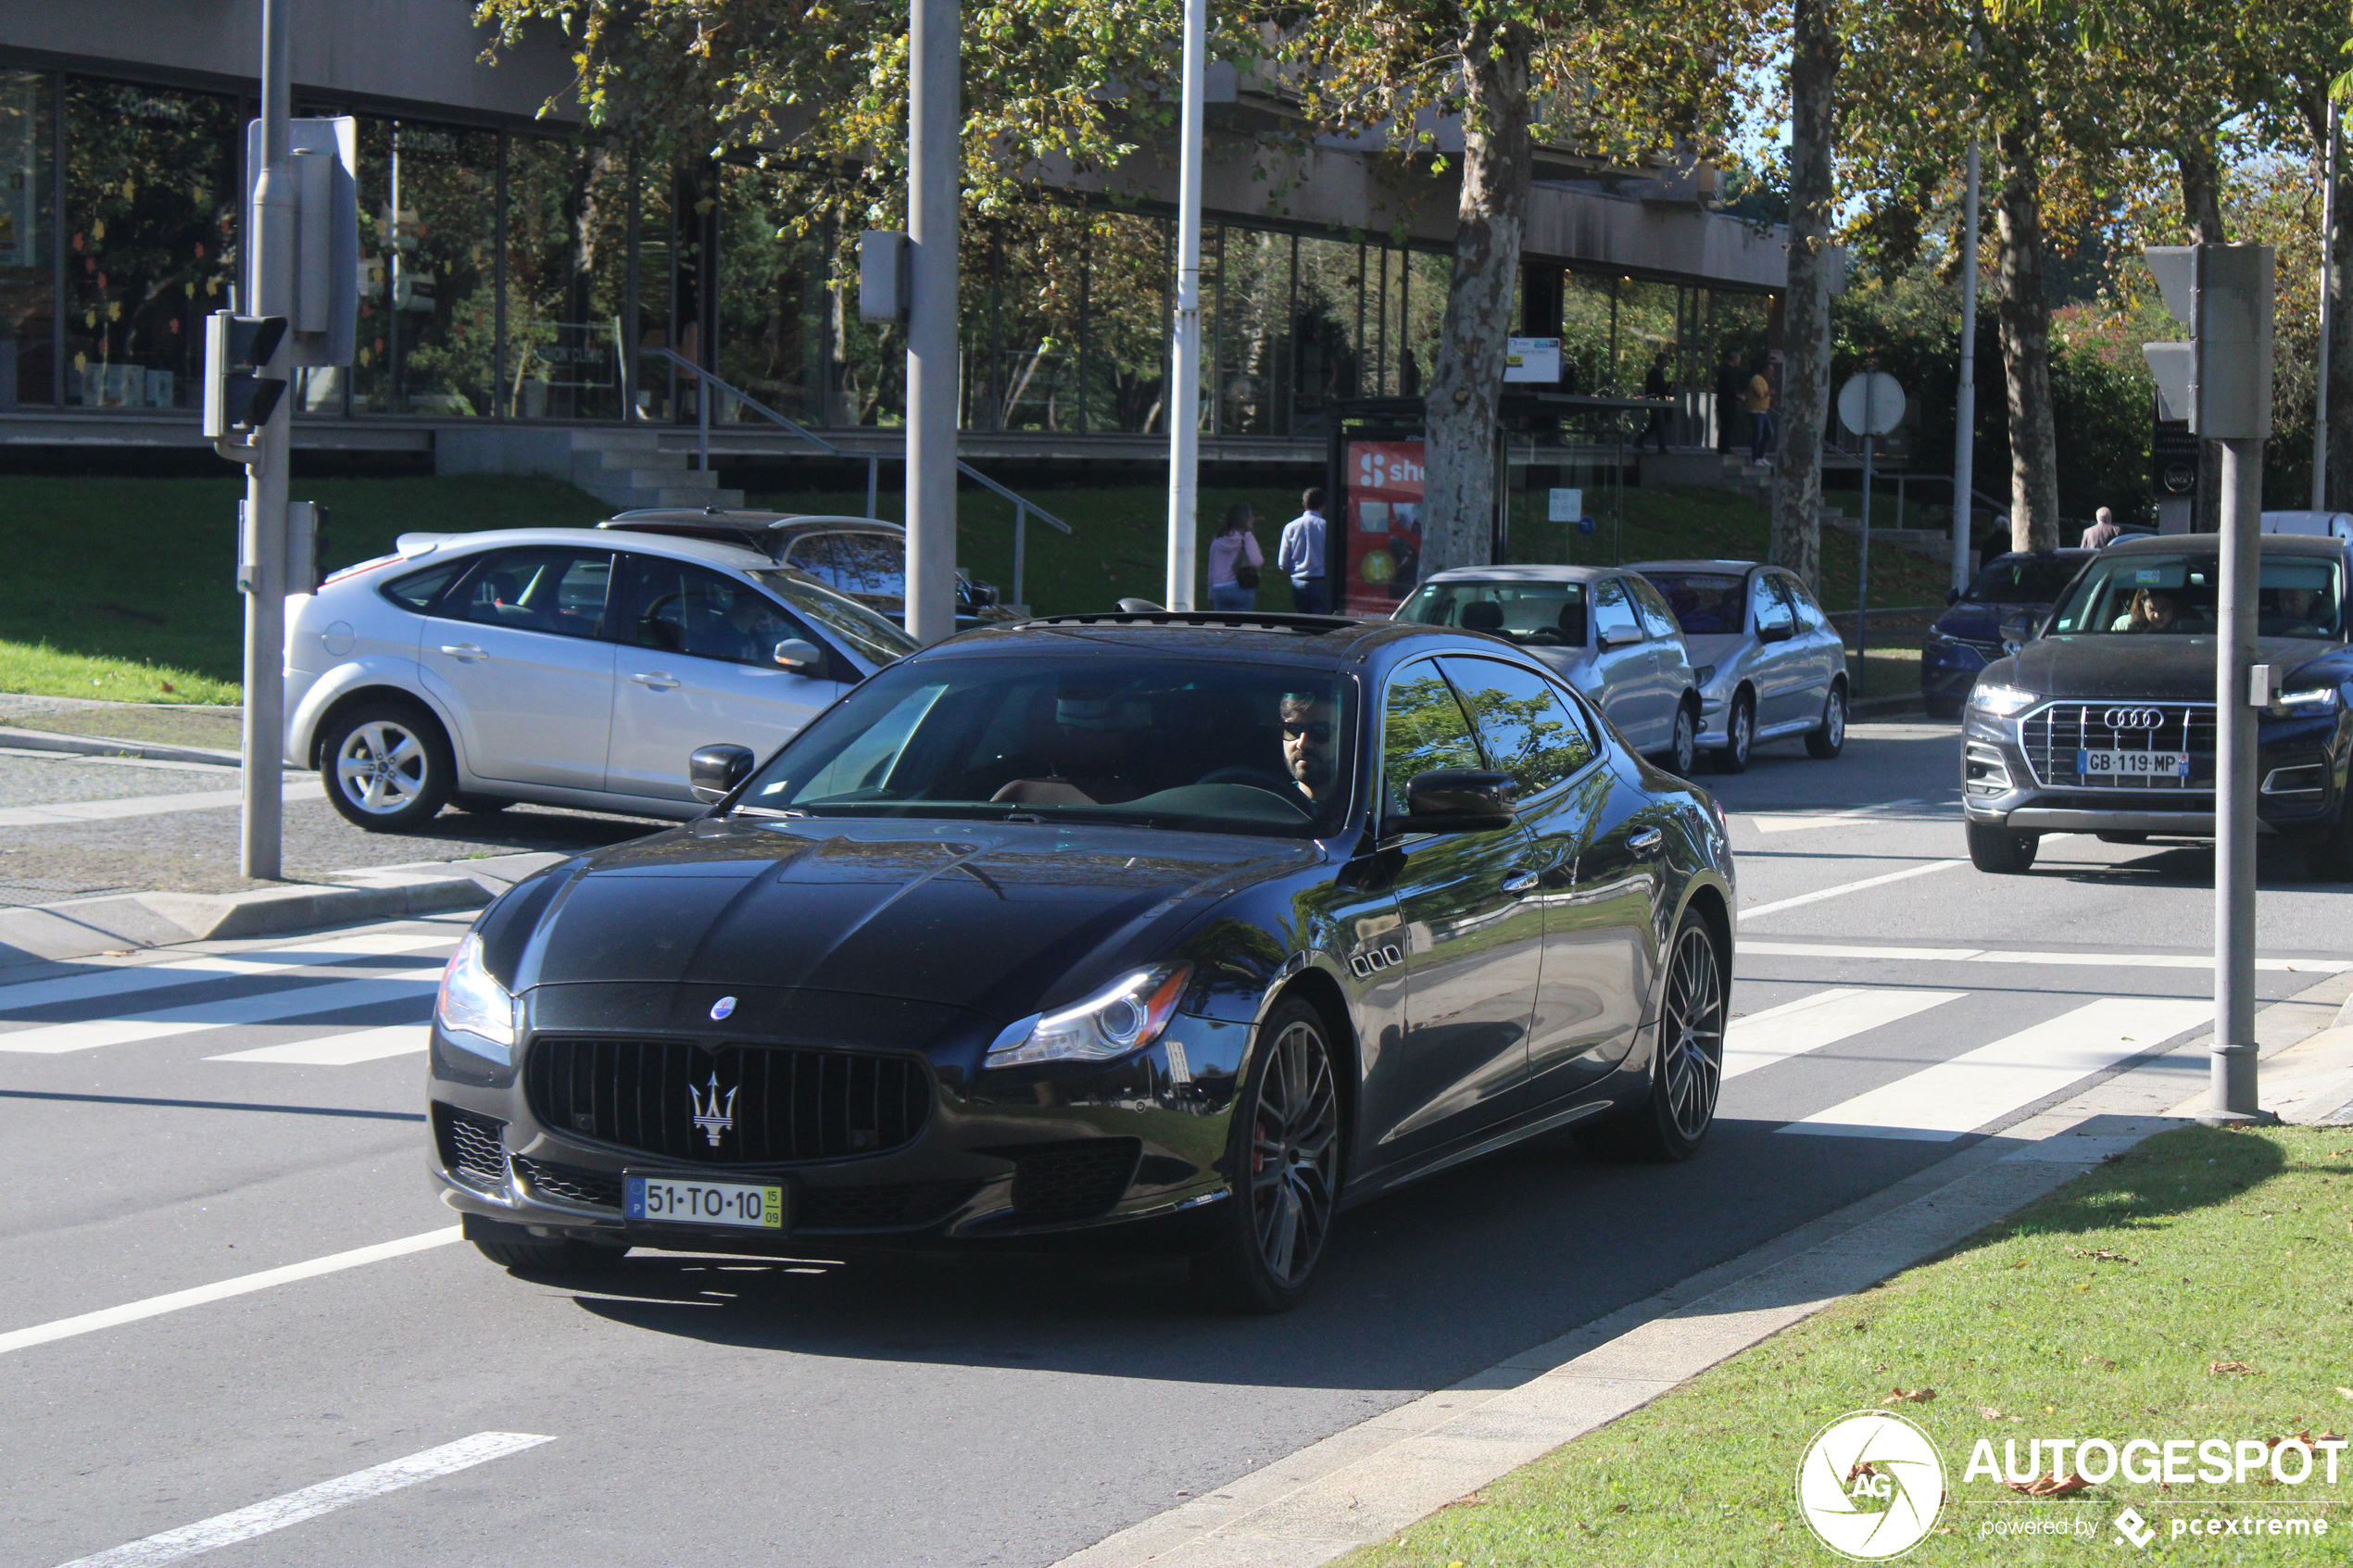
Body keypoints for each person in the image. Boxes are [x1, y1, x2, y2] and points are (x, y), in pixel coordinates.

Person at [1278, 689, 1339, 805]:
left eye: (1320, 731)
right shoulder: (1268, 806)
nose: (1302, 744)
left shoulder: (1368, 808)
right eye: (1292, 729)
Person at [1277, 488, 1329, 614]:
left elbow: (1283, 562)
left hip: (1298, 581)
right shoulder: (1326, 527)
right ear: (1323, 505)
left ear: (1304, 504)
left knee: (1302, 623)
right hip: (1321, 582)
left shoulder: (1290, 527)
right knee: (1320, 622)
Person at [1206, 503, 1264, 611]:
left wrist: (1210, 594)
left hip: (1218, 588)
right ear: (1246, 519)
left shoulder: (1217, 539)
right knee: (1242, 624)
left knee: (1222, 625)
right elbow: (1257, 561)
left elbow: (1211, 568)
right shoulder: (1246, 537)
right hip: (1241, 586)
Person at [1640, 351, 1672, 454]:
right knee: (1660, 424)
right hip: (1656, 403)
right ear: (1660, 362)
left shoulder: (1655, 373)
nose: (1666, 365)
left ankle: (1638, 441)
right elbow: (1653, 389)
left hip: (1657, 402)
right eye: (1665, 363)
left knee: (1655, 425)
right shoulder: (1654, 374)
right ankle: (1662, 447)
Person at [1746, 358, 1775, 464]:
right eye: (1770, 371)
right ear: (1764, 370)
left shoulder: (1764, 381)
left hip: (1764, 412)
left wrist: (1772, 401)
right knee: (1757, 435)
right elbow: (1760, 394)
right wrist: (1770, 392)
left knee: (1768, 433)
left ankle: (1761, 455)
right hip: (1755, 412)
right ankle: (1755, 458)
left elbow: (1765, 396)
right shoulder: (1756, 379)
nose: (1771, 373)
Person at [1714, 350, 1743, 454]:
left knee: (1725, 426)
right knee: (1727, 425)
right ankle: (1724, 447)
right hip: (1727, 403)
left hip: (1723, 401)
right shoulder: (1728, 372)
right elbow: (1729, 389)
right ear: (1735, 359)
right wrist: (1738, 396)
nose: (1739, 362)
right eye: (1738, 360)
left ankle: (1723, 447)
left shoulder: (1724, 370)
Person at [2111, 588, 2178, 633]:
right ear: (2143, 606)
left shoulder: (2185, 628)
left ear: (2172, 607)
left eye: (2163, 609)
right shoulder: (2125, 625)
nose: (2157, 615)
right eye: (2152, 609)